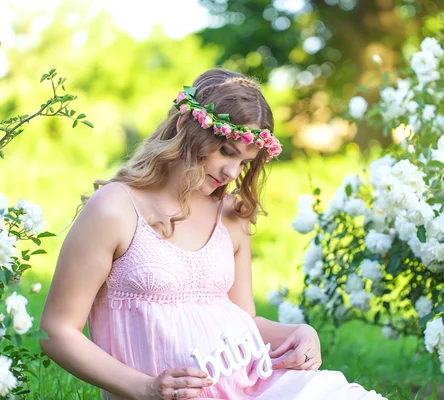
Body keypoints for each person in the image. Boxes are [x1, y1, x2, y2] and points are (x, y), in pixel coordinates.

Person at [40, 68, 387, 400]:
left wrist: (298, 334)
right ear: (186, 126)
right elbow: (57, 332)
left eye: (245, 162)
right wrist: (144, 388)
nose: (232, 172)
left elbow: (245, 319)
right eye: (225, 151)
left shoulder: (231, 215)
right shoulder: (115, 209)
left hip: (256, 385)